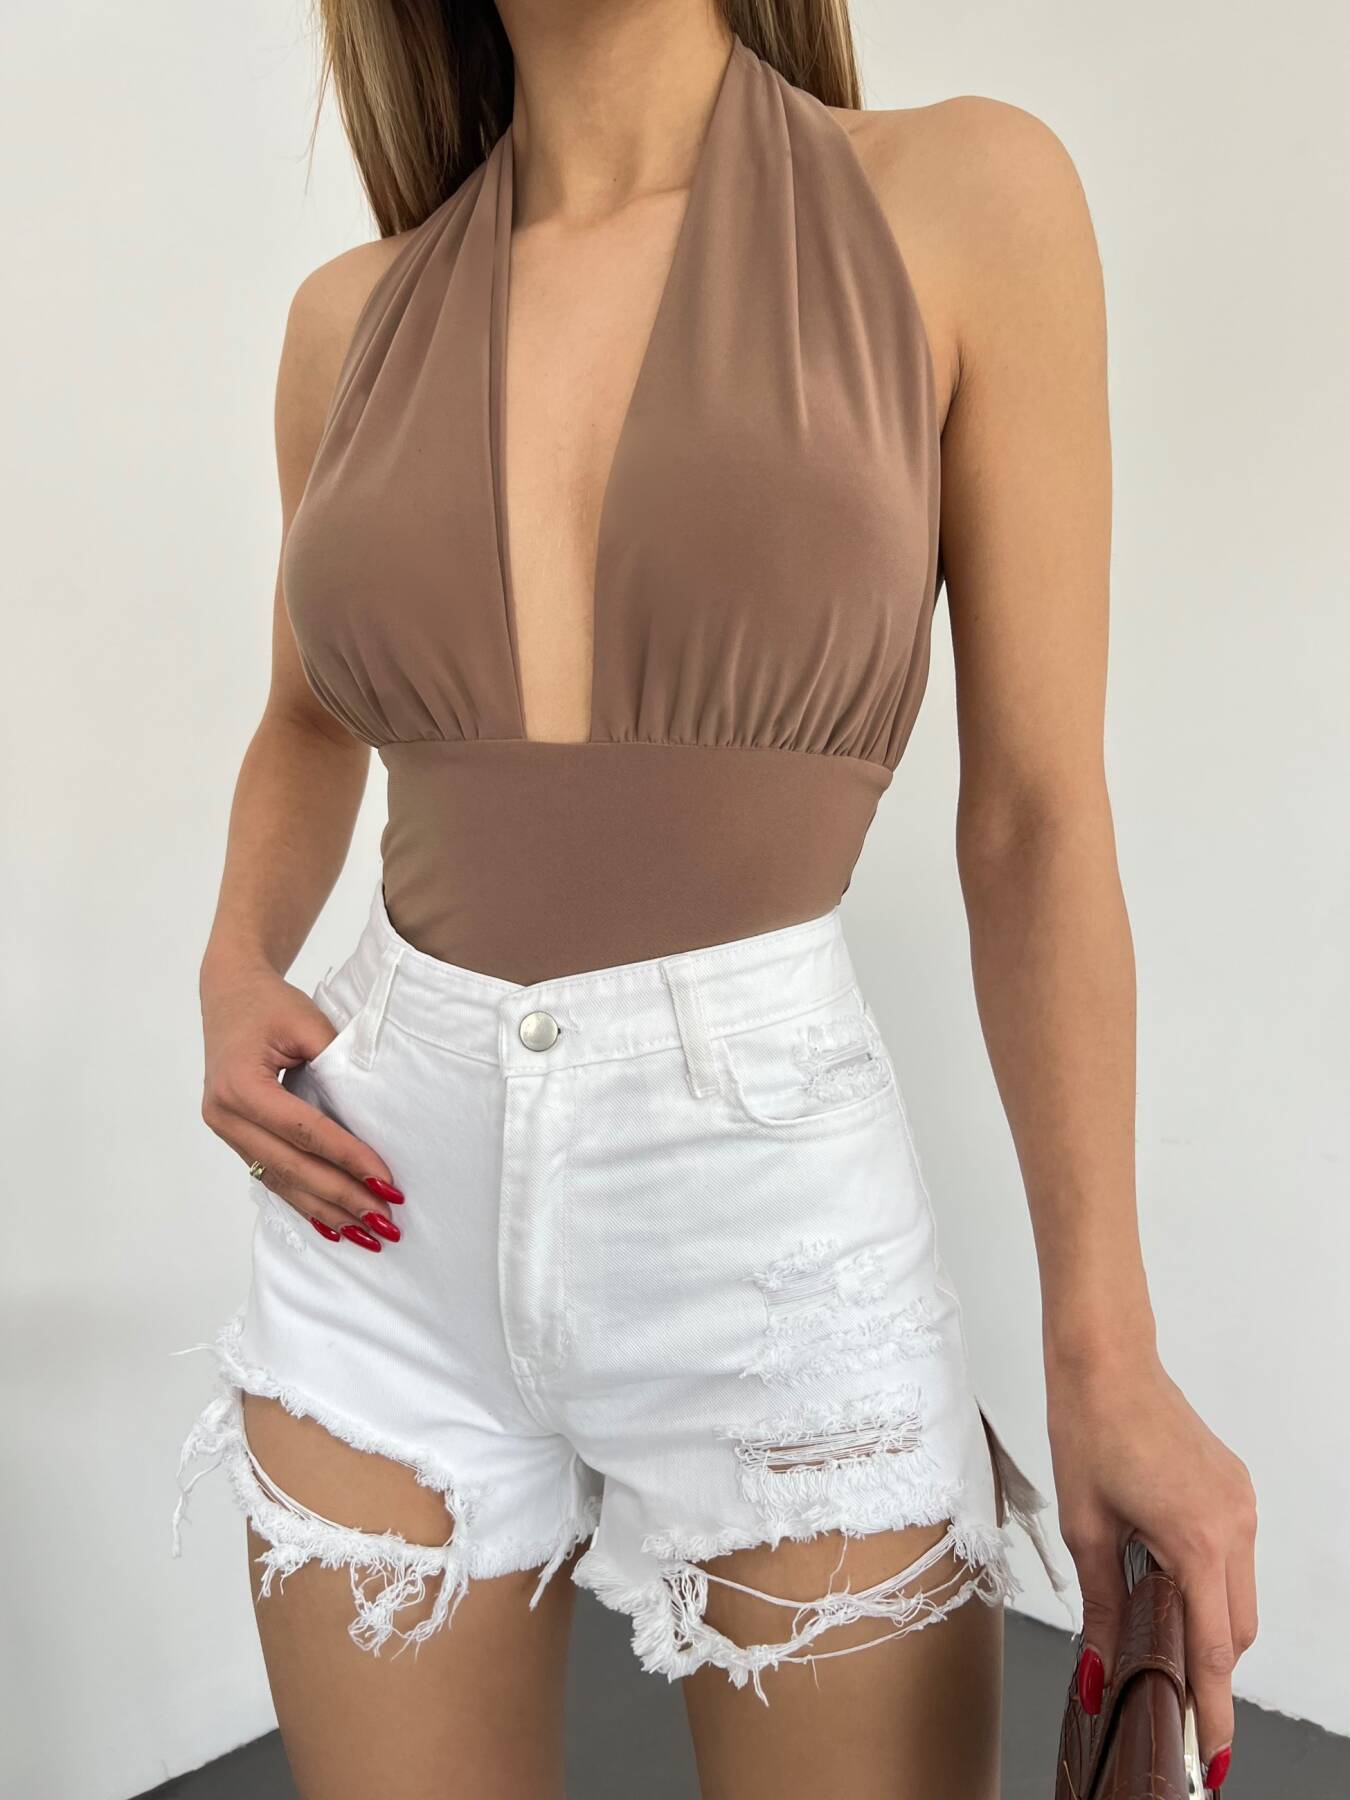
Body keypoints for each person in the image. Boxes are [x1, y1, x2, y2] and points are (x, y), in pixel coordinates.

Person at [171, 4, 1257, 1795]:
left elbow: (1035, 820)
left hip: (767, 1226)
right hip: (383, 1212)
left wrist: (1107, 1347)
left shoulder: (959, 197)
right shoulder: (347, 323)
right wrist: (234, 960)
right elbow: (306, 717)